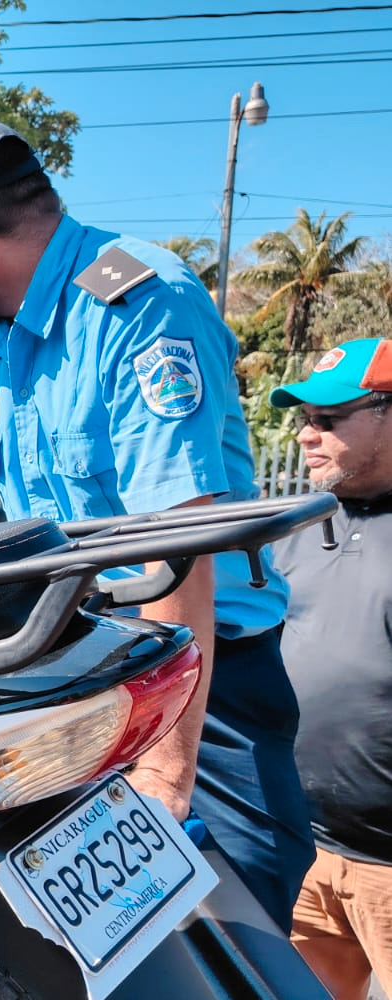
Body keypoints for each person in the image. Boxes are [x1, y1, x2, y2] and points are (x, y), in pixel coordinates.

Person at [0, 116, 313, 930]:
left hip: (198, 684)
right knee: (72, 945)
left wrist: (164, 773)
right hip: (80, 671)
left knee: (233, 937)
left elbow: (177, 548)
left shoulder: (139, 304)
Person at [267, 337, 392, 1000]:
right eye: (304, 420)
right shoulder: (294, 531)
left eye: (329, 420)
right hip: (308, 855)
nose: (306, 436)